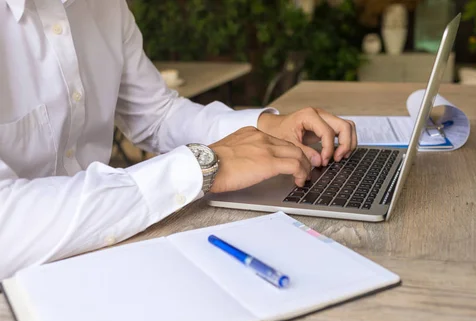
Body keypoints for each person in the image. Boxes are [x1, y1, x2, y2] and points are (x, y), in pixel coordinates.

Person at [0, 0, 357, 279]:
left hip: (108, 254)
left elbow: (156, 114)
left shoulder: (104, 7)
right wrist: (201, 166)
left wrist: (265, 127)